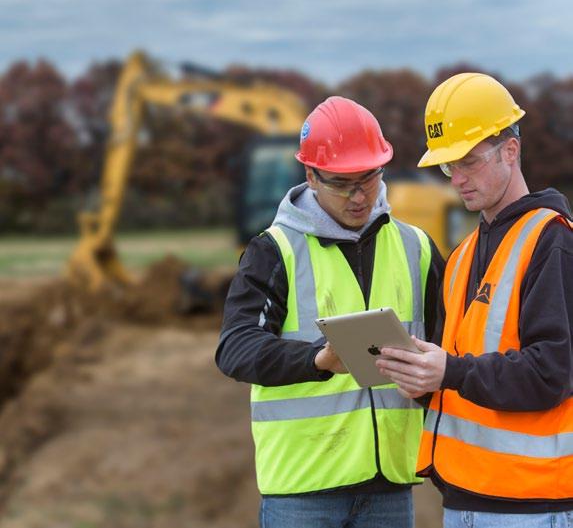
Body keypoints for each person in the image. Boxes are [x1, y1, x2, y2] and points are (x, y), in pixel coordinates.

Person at [216, 96, 444, 528]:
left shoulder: (416, 247)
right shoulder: (275, 251)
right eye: (342, 183)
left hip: (389, 484)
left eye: (369, 179)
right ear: (311, 176)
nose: (358, 196)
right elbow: (235, 348)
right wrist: (317, 360)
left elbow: (449, 345)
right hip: (303, 487)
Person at [376, 73, 573, 527]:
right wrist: (425, 381)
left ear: (510, 150)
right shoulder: (463, 255)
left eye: (467, 162)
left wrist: (451, 371)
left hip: (531, 504)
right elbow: (461, 369)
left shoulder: (551, 242)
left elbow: (551, 372)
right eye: (448, 167)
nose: (457, 179)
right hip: (465, 497)